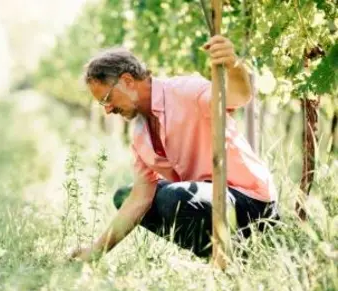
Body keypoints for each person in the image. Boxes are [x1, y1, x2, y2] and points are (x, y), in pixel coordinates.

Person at [68, 35, 279, 266]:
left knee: (174, 197)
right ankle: (226, 256)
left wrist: (232, 64)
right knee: (125, 196)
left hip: (251, 203)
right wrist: (95, 252)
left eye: (107, 98)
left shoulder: (185, 90)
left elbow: (239, 96)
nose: (107, 110)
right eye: (102, 104)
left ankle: (241, 252)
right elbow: (139, 199)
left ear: (127, 80)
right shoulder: (140, 132)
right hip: (209, 202)